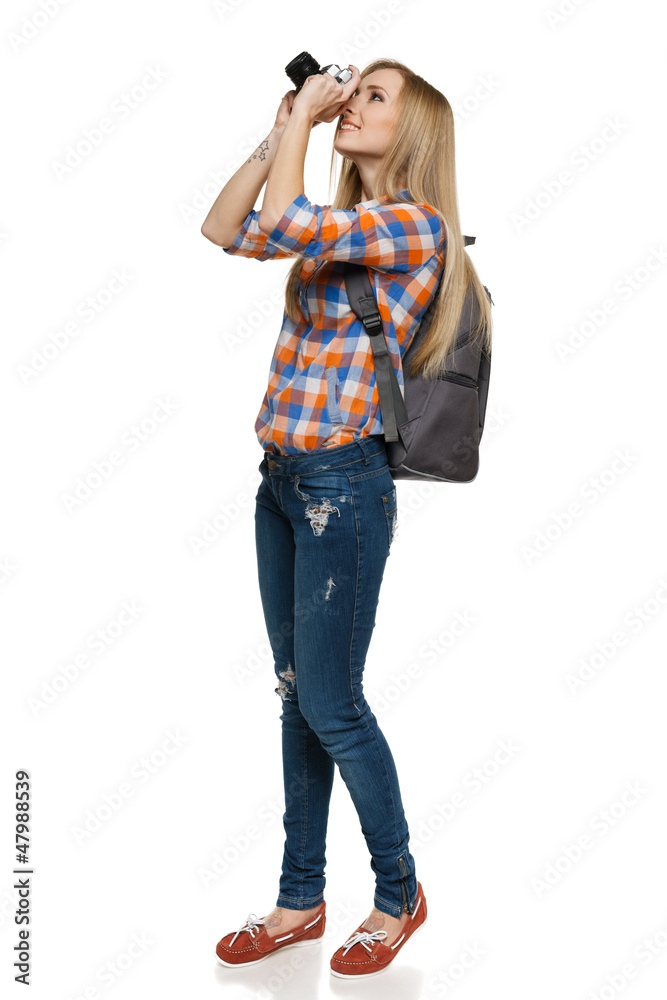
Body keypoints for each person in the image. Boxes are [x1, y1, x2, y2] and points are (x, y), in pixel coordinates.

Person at [202, 58, 492, 979]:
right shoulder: (339, 229)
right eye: (349, 90)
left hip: (342, 490)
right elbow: (222, 228)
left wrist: (302, 128)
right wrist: (282, 126)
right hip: (281, 481)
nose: (349, 103)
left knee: (334, 701)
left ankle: (398, 893)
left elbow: (282, 221)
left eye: (371, 96)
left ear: (411, 131)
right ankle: (299, 899)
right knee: (297, 695)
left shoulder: (411, 226)